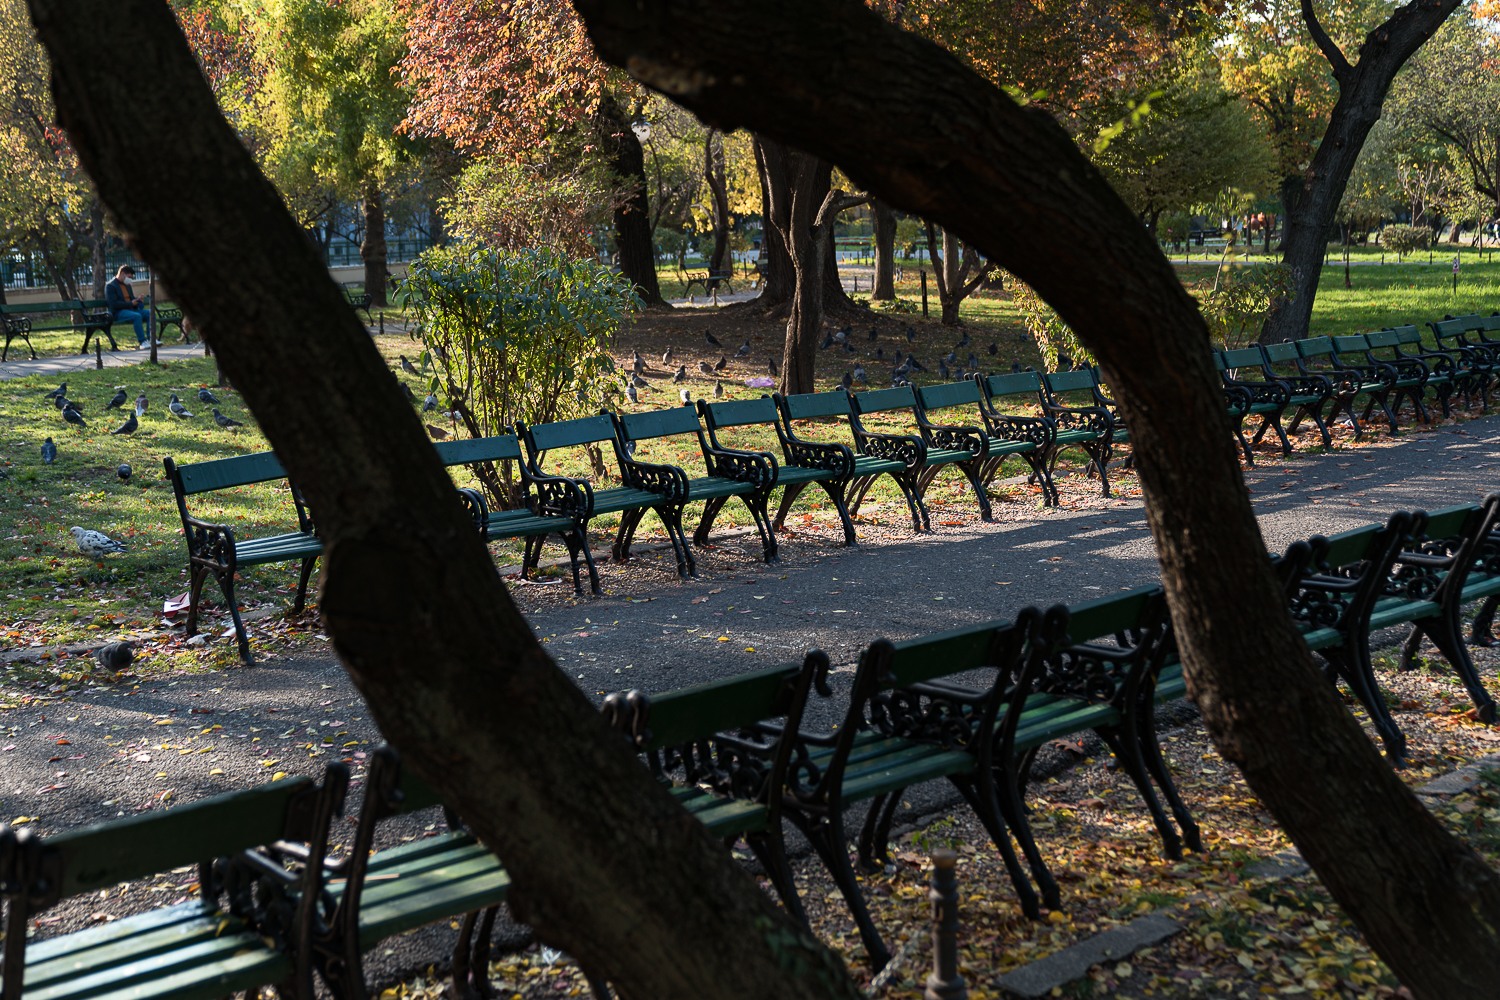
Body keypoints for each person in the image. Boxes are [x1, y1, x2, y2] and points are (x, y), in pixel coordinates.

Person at [105, 264, 154, 347]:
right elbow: (113, 304)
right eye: (129, 277)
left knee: (150, 313)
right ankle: (142, 342)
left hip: (131, 310)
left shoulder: (127, 285)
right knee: (137, 316)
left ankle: (152, 338)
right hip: (118, 312)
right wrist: (130, 303)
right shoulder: (110, 286)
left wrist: (138, 301)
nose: (130, 279)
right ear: (122, 273)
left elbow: (131, 300)